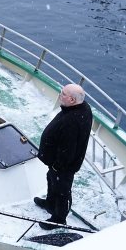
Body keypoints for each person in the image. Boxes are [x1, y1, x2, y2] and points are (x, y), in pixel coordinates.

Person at [35, 83, 93, 230]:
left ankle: (59, 219)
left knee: (62, 190)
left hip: (63, 166)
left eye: (63, 94)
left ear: (72, 100)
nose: (60, 95)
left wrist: (57, 166)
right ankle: (50, 203)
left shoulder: (71, 121)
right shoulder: (82, 108)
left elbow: (68, 148)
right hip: (57, 163)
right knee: (51, 179)